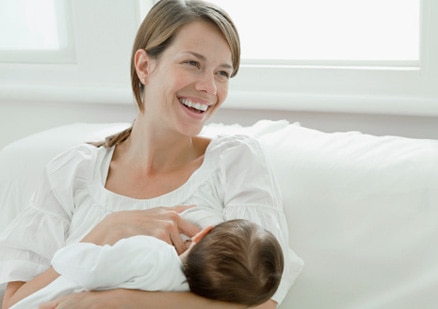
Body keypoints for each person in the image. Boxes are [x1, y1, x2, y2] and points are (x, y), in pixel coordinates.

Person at [0, 0, 304, 308]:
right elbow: (13, 303)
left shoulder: (235, 162)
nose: (210, 87)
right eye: (192, 63)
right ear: (145, 66)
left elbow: (262, 303)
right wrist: (106, 231)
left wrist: (119, 301)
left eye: (222, 73)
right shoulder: (71, 173)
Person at [10, 219, 284, 309]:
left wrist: (69, 252)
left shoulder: (152, 255)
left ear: (202, 232)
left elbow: (92, 269)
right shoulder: (179, 296)